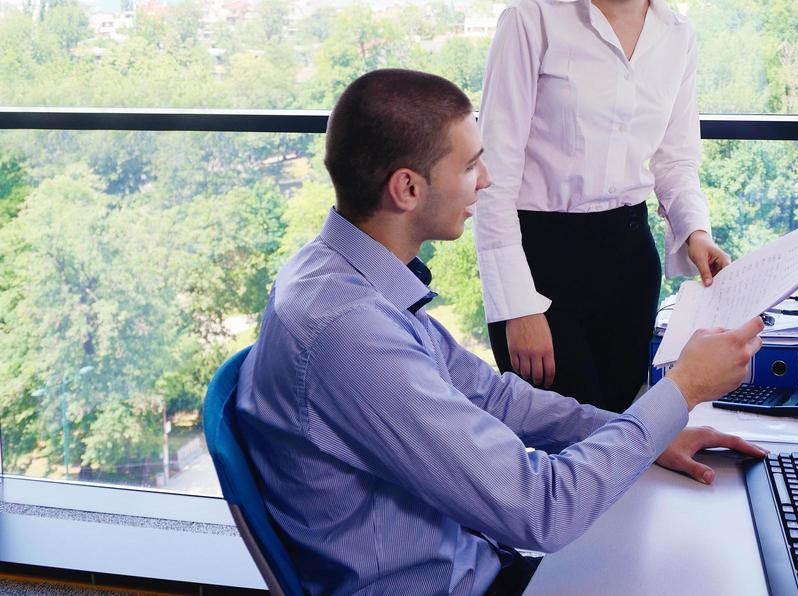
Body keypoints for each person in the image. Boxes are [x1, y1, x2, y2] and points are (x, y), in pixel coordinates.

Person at [237, 68, 765, 596]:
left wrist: (642, 436)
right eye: (470, 165)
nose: (486, 180)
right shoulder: (350, 333)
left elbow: (491, 397)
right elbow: (542, 509)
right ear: (407, 188)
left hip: (481, 562)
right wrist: (683, 391)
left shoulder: (342, 271)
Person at [475, 0, 731, 412]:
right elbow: (491, 175)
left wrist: (695, 234)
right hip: (540, 256)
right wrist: (516, 304)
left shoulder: (678, 35)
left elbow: (675, 161)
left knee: (624, 437)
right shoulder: (532, 20)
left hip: (628, 258)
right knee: (559, 445)